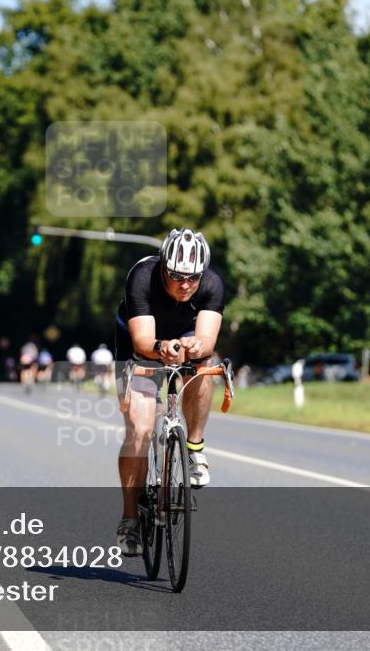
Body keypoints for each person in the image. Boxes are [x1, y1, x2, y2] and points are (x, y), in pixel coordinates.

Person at [113, 228, 224, 556]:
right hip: (142, 344)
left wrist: (195, 345)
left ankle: (194, 448)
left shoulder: (213, 284)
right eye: (176, 276)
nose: (185, 285)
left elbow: (208, 339)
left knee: (204, 366)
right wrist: (162, 347)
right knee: (141, 430)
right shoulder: (142, 277)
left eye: (193, 278)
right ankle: (130, 519)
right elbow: (142, 341)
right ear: (163, 268)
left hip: (183, 335)